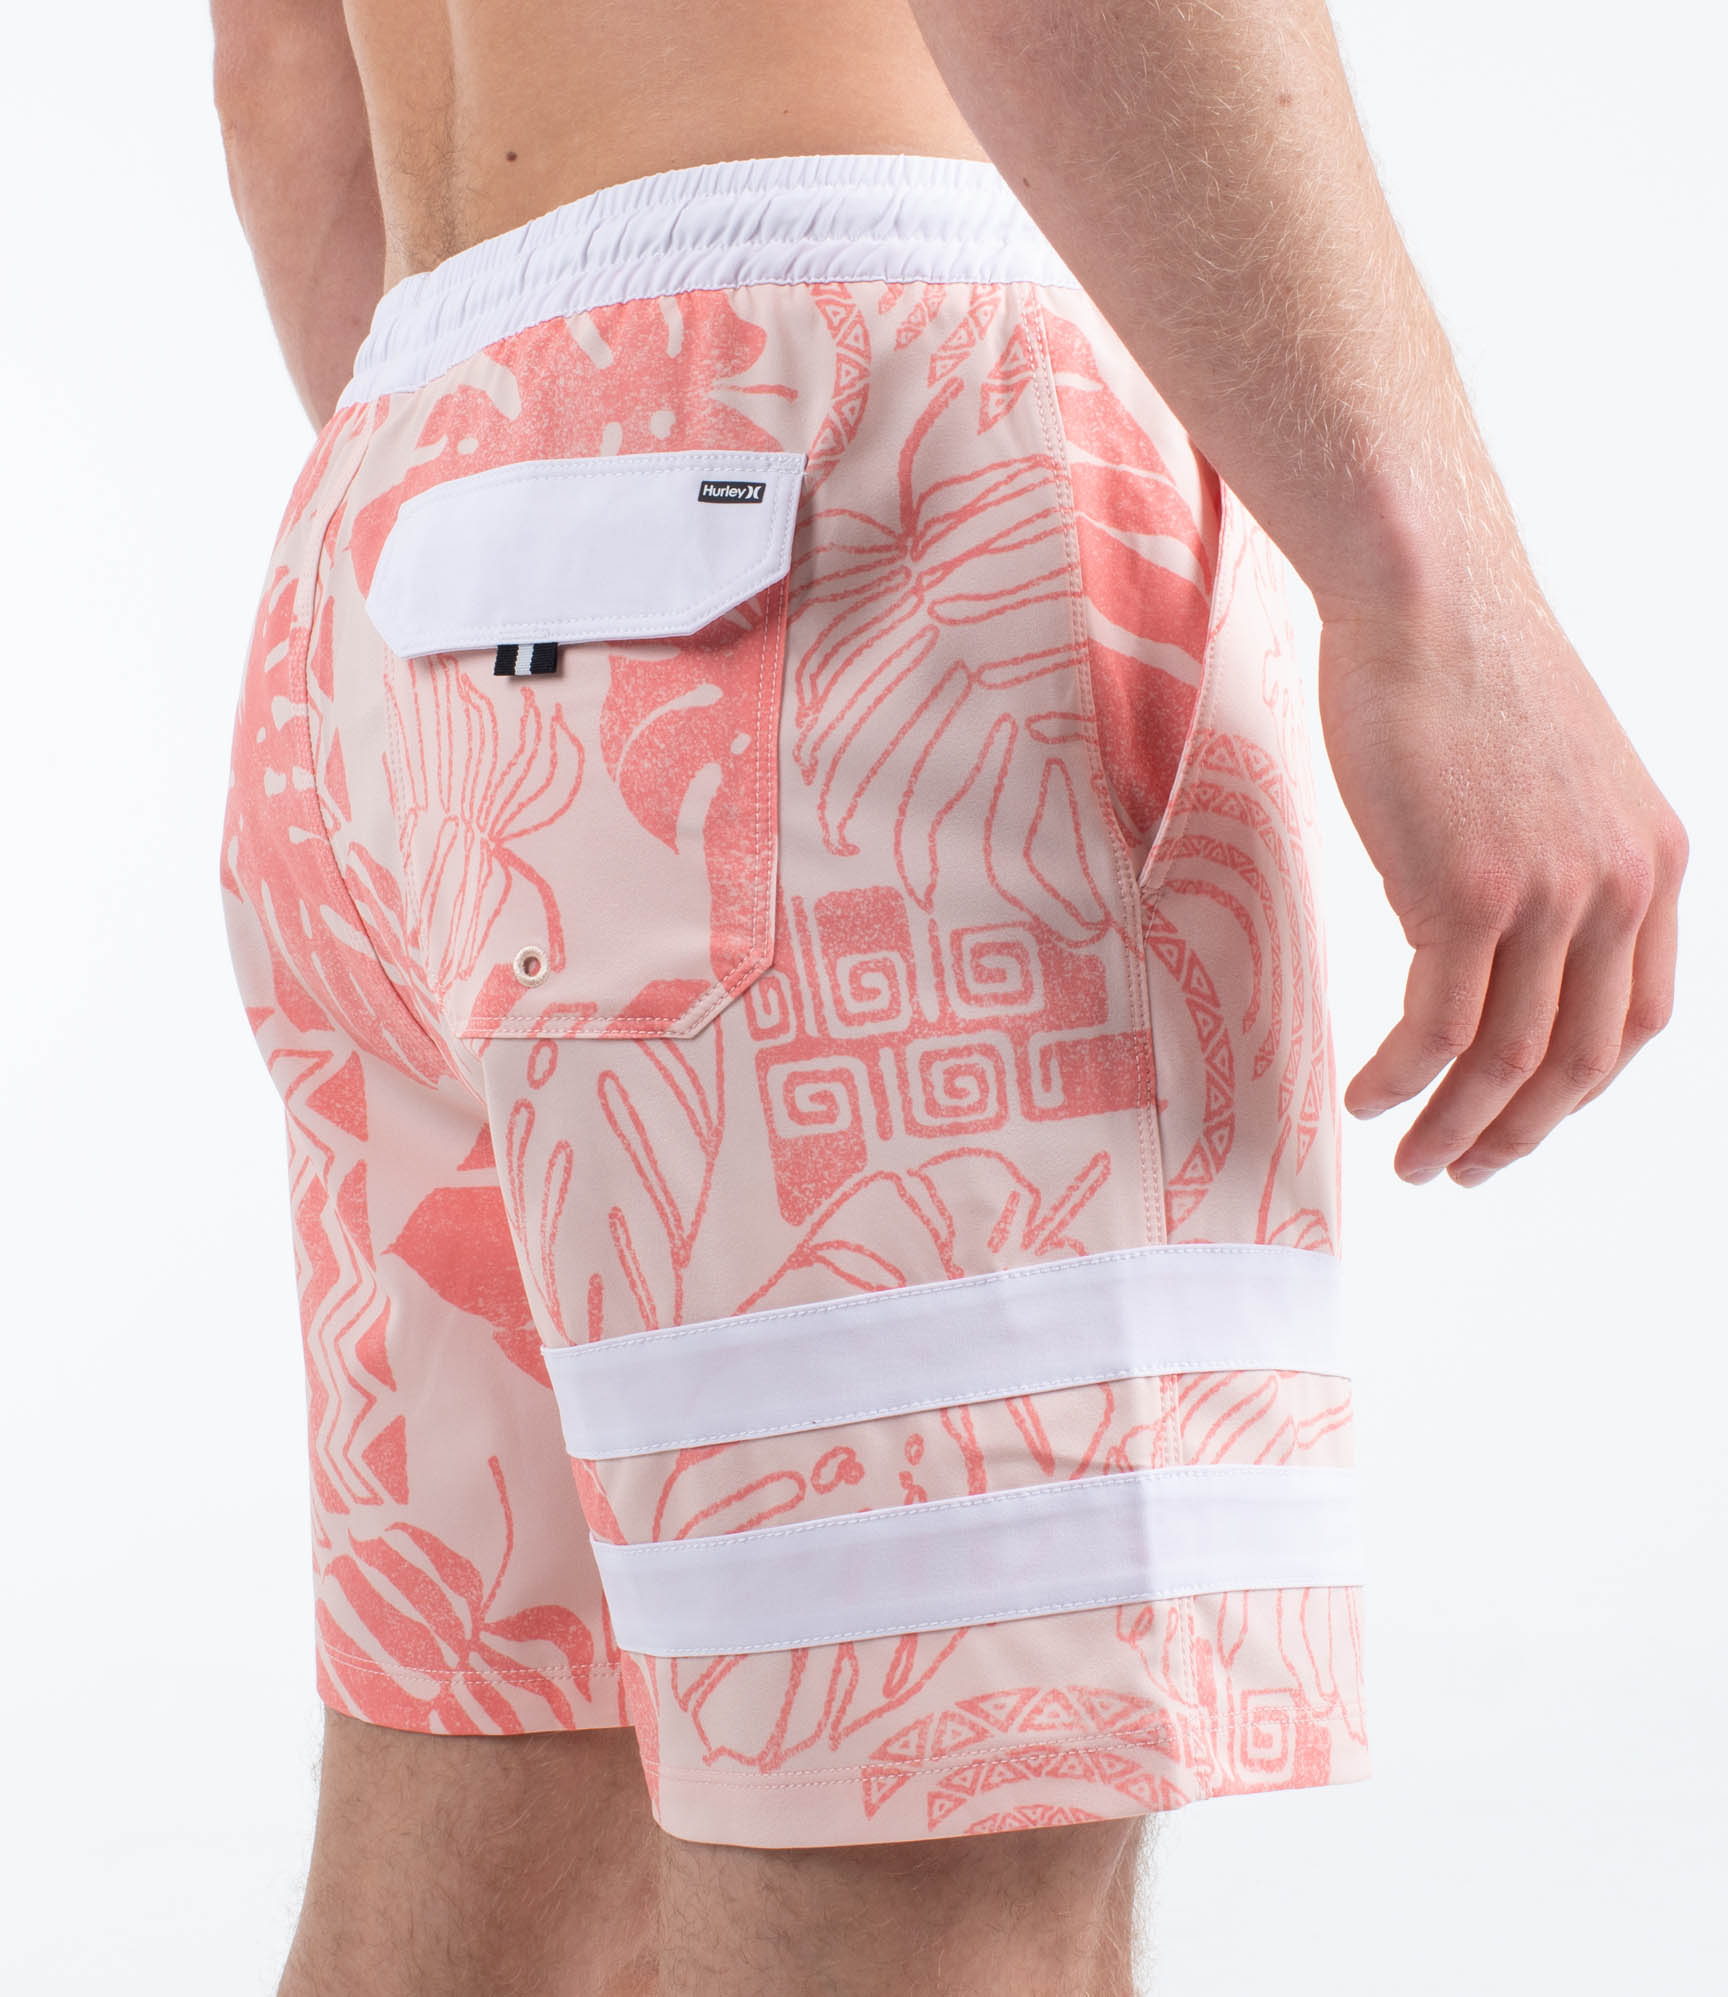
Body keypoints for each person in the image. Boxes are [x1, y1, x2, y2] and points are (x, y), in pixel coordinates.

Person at [210, 2, 1688, 1992]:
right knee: (937, 1898)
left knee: (492, 1890)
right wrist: (1437, 595)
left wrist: (529, 602)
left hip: (419, 521)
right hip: (852, 486)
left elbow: (278, 62)